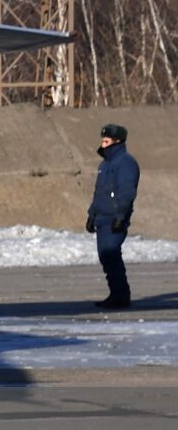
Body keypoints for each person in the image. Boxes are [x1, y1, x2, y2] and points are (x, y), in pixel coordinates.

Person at [87, 123, 140, 309]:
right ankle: (117, 293)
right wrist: (92, 214)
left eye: (106, 141)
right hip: (102, 218)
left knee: (111, 256)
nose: (103, 145)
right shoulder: (105, 164)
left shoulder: (126, 163)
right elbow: (99, 193)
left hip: (114, 219)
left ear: (117, 142)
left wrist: (120, 216)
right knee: (106, 256)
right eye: (102, 141)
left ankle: (121, 296)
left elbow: (126, 192)